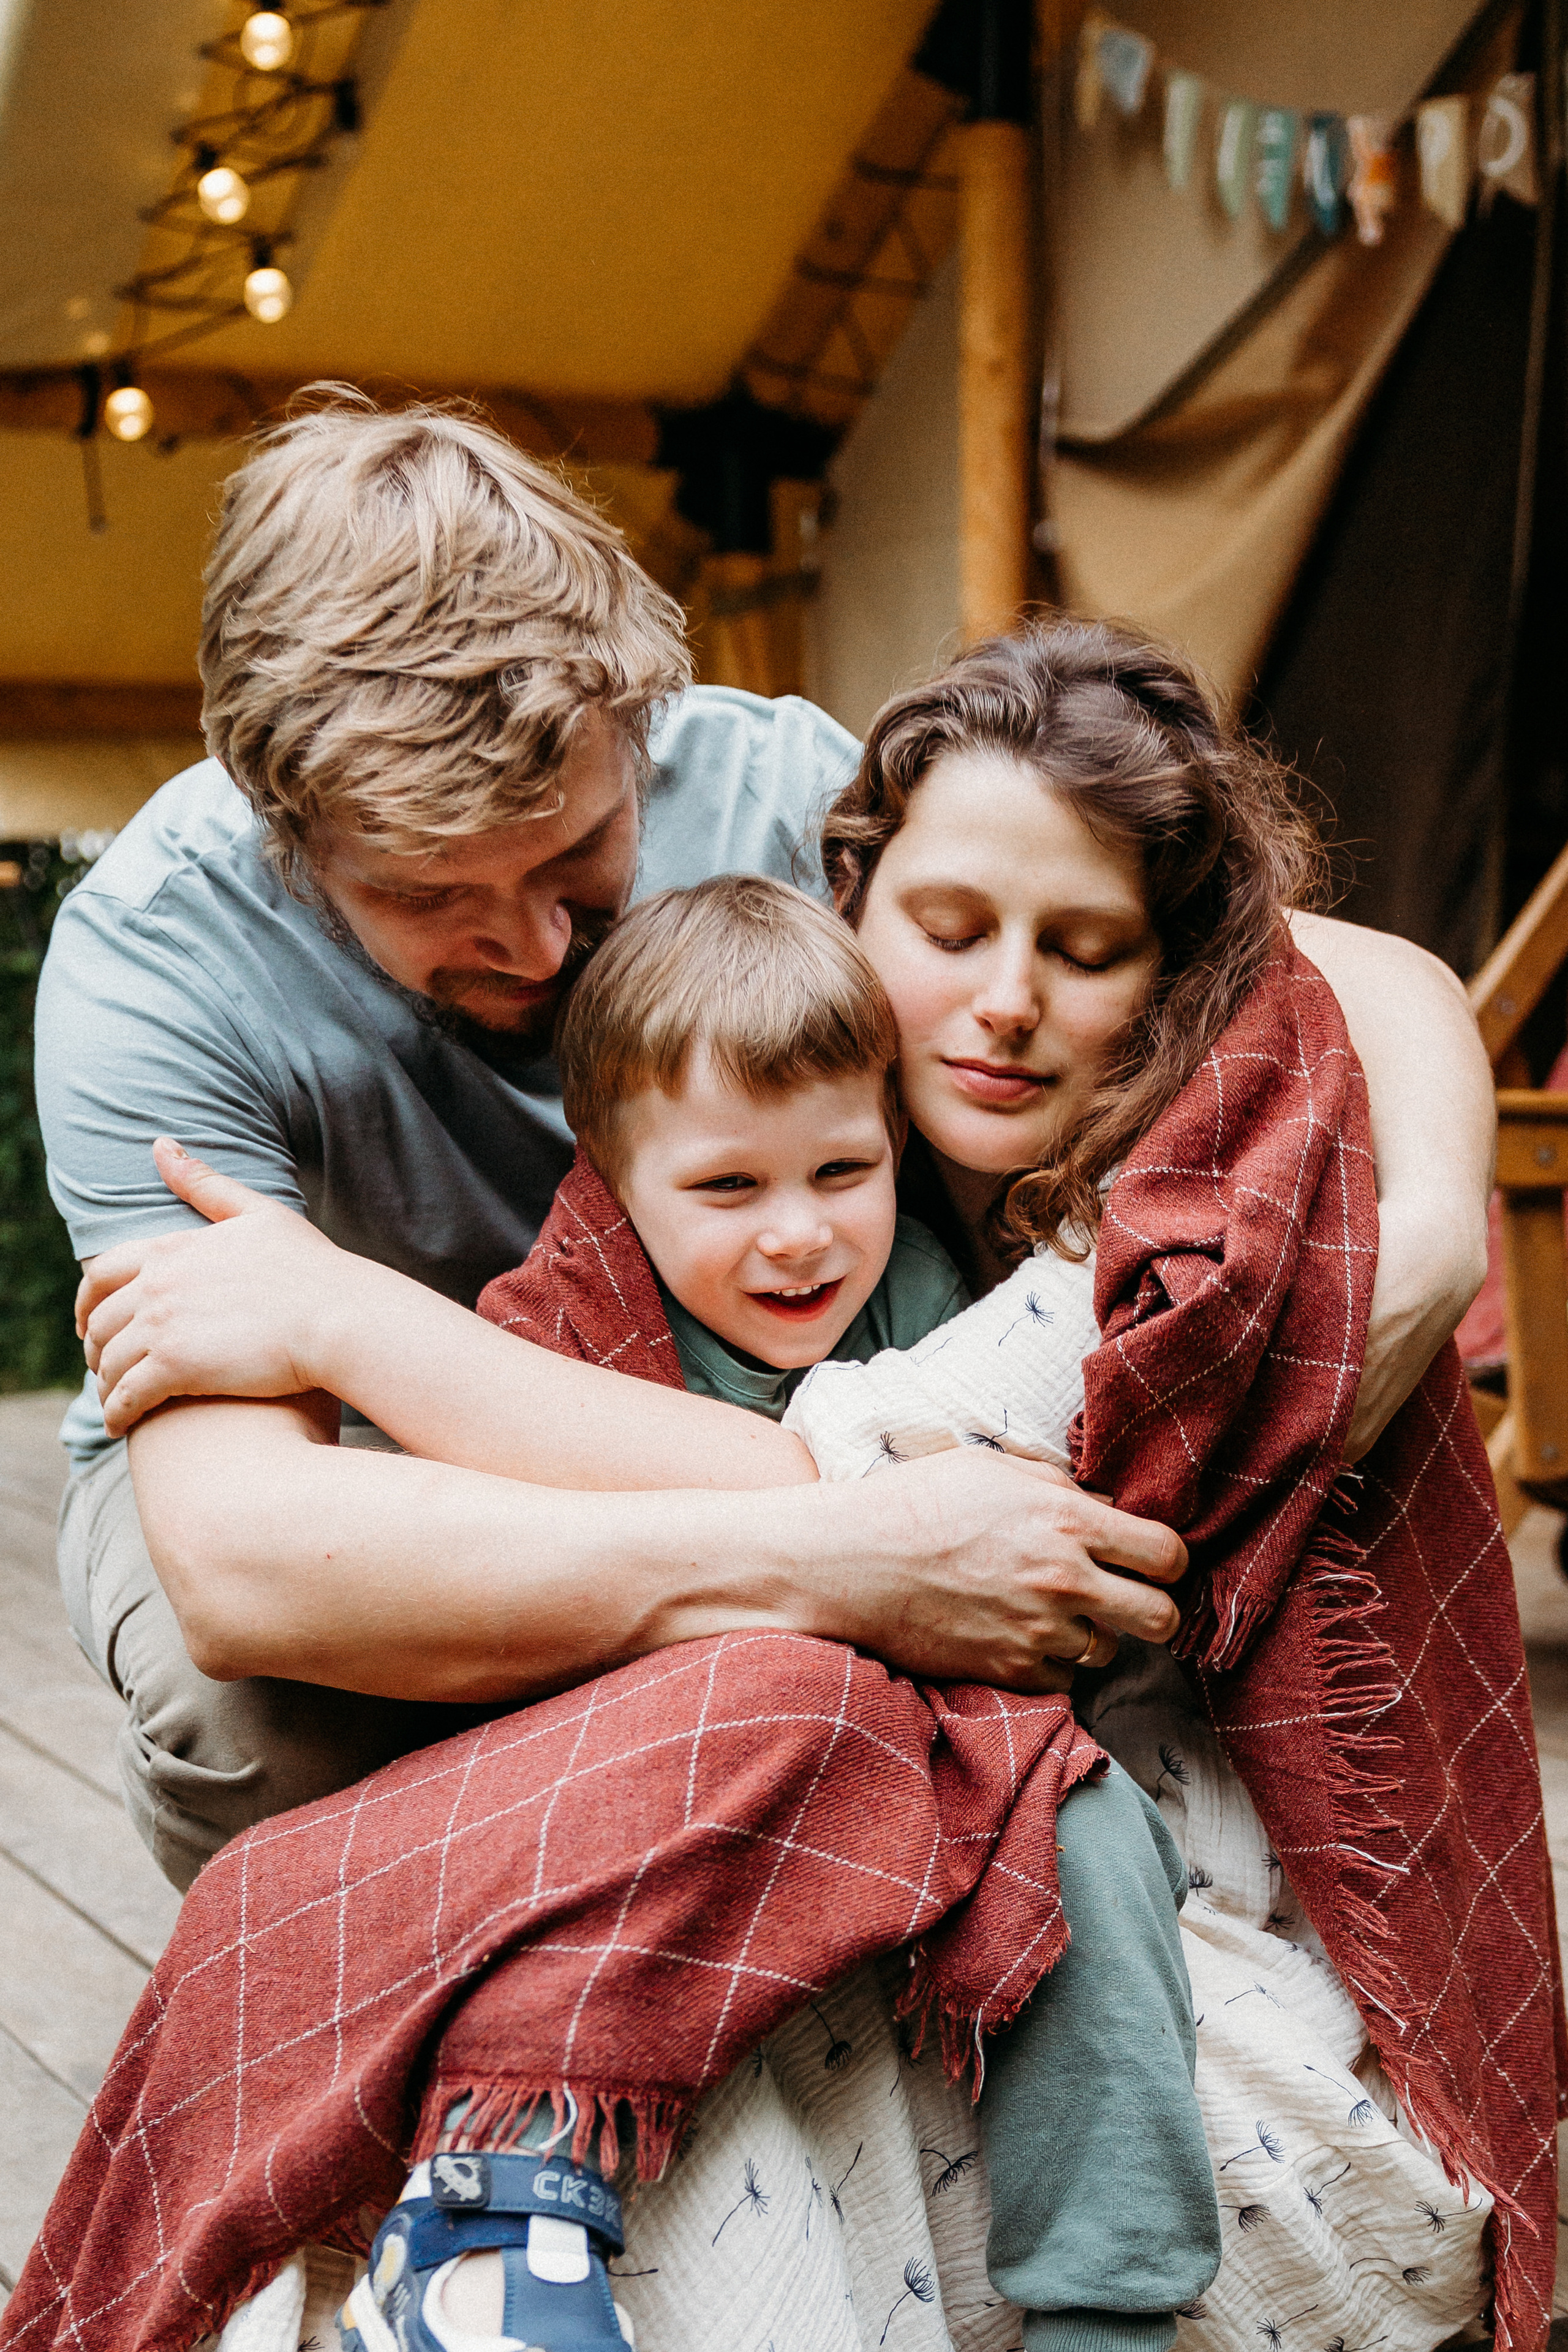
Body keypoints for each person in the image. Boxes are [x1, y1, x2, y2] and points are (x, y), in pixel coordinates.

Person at [34, 622, 1550, 2352]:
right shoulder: (707, 1134)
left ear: (1177, 967)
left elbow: (907, 1482)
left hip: (1167, 1850)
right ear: (855, 909)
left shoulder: (1185, 1217)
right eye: (950, 930)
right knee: (726, 1711)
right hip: (851, 1810)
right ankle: (493, 2217)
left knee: (794, 1698)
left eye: (1083, 948)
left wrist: (341, 1314)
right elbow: (801, 1523)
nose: (1000, 1000)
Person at [40, 402, 1493, 1904]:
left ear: (637, 727)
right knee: (259, 1723)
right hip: (363, 1444)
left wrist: (1438, 1227)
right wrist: (852, 1558)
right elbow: (247, 1564)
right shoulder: (160, 968)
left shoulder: (766, 783)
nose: (541, 946)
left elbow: (1314, 959)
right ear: (288, 834)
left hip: (775, 1369)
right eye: (433, 896)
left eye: (575, 854)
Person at [346, 869, 1208, 2352]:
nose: (798, 1238)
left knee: (1097, 1841)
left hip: (952, 1734)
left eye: (839, 1173)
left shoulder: (946, 1301)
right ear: (615, 1178)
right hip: (690, 1751)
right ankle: (505, 2201)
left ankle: (1106, 2294)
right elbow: (488, 1552)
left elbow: (1032, 1501)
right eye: (728, 1189)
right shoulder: (557, 1344)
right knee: (557, 1842)